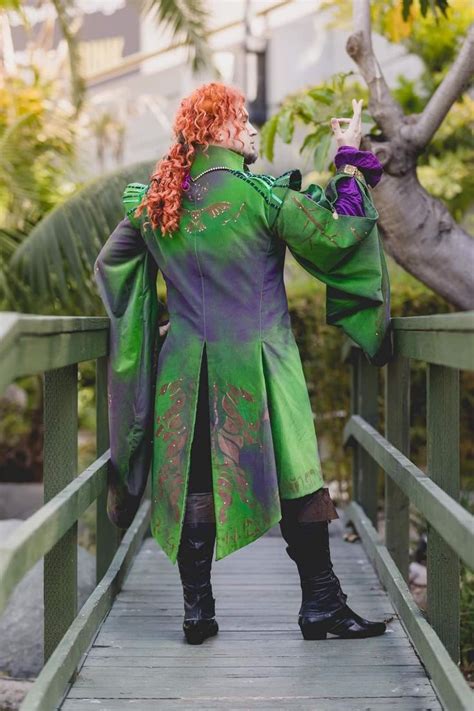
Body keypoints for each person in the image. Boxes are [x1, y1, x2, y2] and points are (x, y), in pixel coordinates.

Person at [94, 82, 393, 646]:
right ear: (221, 131)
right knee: (300, 478)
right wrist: (350, 163)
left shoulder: (158, 202)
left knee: (195, 484)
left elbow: (113, 267)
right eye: (244, 120)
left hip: (185, 368)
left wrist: (154, 316)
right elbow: (335, 237)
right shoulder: (259, 198)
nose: (254, 129)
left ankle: (197, 613)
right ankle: (321, 605)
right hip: (262, 362)